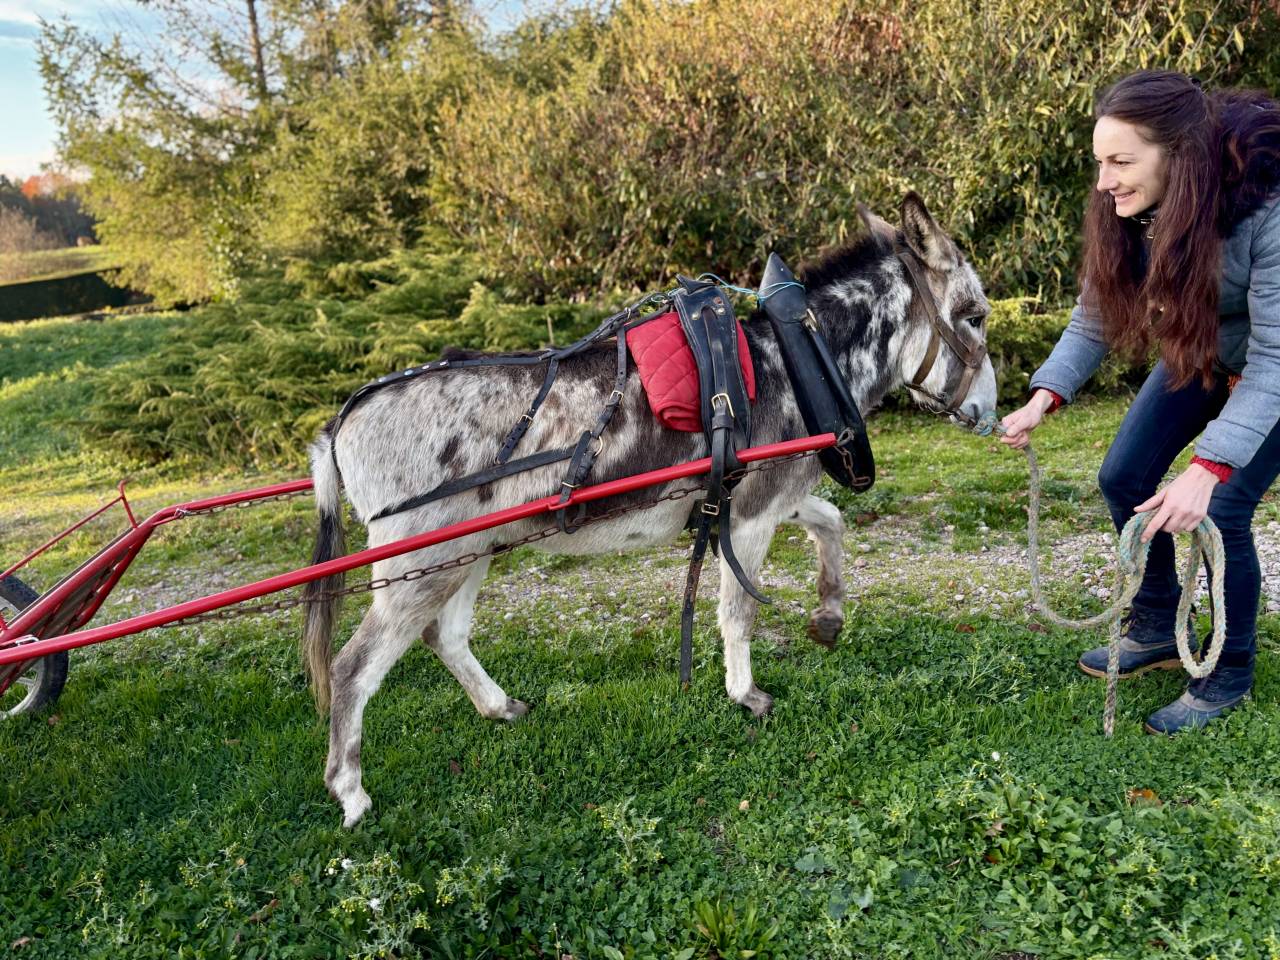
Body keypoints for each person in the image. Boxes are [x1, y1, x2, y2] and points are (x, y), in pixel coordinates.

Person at [1000, 70, 1280, 734]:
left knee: (1228, 507)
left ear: (1180, 158)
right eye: (1101, 161)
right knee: (1122, 474)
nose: (1105, 180)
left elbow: (1274, 360)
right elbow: (1095, 312)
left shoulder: (1268, 213)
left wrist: (1207, 469)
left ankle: (1228, 669)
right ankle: (1155, 623)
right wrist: (1047, 393)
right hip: (1208, 353)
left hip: (1273, 368)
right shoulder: (1131, 209)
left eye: (1121, 161)